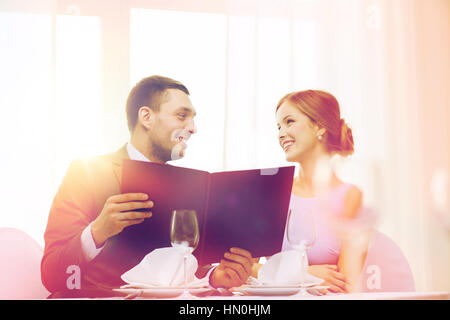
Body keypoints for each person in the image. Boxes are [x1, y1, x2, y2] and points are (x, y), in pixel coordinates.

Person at [41, 75, 253, 298]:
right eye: (182, 116)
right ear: (146, 117)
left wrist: (215, 276)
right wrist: (97, 232)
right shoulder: (86, 172)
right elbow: (51, 275)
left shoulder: (189, 186)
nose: (192, 128)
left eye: (192, 119)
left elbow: (181, 265)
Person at [269, 89, 371, 293]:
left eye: (289, 122)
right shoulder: (273, 193)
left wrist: (284, 275)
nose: (281, 134)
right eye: (279, 126)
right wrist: (303, 274)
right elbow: (247, 270)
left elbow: (346, 283)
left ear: (319, 127)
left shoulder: (350, 196)